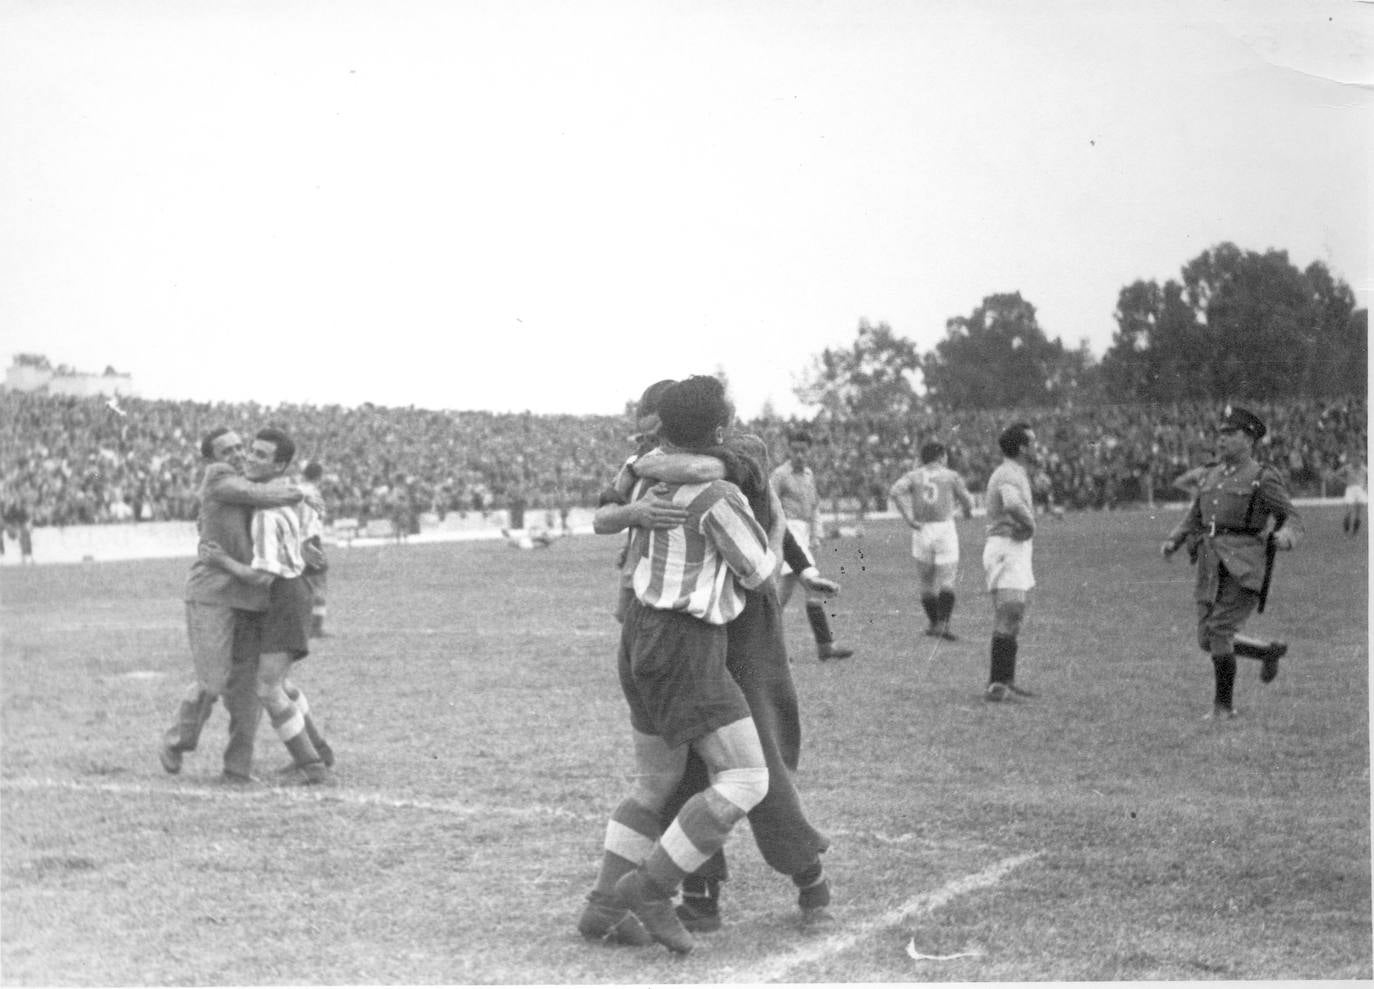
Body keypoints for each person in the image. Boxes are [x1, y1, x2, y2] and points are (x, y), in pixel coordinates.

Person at [589, 386, 837, 936]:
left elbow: (761, 515)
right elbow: (610, 513)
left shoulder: (736, 450)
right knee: (685, 768)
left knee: (759, 758)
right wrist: (636, 492)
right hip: (682, 626)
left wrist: (649, 465)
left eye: (655, 430)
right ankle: (700, 893)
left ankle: (809, 879)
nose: (647, 440)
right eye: (643, 432)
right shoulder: (651, 462)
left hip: (743, 621)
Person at [158, 428, 313, 783]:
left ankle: (236, 769)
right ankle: (177, 740)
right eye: (227, 450)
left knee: (247, 689)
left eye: (240, 446)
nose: (238, 453)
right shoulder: (220, 478)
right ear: (211, 460)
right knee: (212, 681)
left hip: (249, 596)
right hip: (213, 594)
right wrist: (296, 491)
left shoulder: (249, 481)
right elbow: (251, 493)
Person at [200, 427, 334, 783]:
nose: (250, 458)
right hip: (289, 593)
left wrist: (222, 561)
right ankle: (318, 750)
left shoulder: (266, 514)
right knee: (281, 684)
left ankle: (314, 769)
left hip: (283, 597)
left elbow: (262, 576)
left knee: (268, 689)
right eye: (252, 451)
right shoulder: (282, 499)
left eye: (261, 456)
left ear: (280, 467)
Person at [1161, 406, 1301, 719]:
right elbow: (1195, 515)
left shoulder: (1262, 477)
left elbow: (1291, 516)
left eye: (1230, 433)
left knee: (1220, 630)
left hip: (1244, 565)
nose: (1222, 439)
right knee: (1206, 639)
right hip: (1210, 565)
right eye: (1221, 433)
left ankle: (1223, 708)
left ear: (1249, 439)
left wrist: (1286, 537)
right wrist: (1174, 539)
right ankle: (1267, 652)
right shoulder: (1211, 474)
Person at [770, 431, 854, 661]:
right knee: (809, 590)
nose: (799, 454)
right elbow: (770, 506)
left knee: (784, 596)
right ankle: (825, 646)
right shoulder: (779, 475)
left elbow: (814, 505)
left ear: (809, 451)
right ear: (788, 450)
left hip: (803, 534)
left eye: (803, 450)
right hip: (788, 532)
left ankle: (821, 646)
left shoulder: (808, 475)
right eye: (795, 450)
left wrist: (817, 533)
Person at [888, 441, 975, 641]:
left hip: (921, 529)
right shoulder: (951, 475)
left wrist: (909, 518)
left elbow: (894, 491)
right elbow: (969, 502)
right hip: (944, 529)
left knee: (926, 582)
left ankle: (934, 624)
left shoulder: (914, 475)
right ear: (942, 456)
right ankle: (943, 625)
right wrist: (961, 508)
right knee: (947, 579)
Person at [981, 423, 1040, 701]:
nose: (1036, 447)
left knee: (1013, 614)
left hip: (1012, 548)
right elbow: (1012, 504)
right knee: (1010, 612)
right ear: (1022, 447)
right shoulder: (1007, 473)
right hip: (1006, 547)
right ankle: (997, 685)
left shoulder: (1014, 471)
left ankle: (1005, 680)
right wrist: (1030, 525)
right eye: (1032, 442)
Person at [299, 461, 330, 637]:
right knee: (319, 583)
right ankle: (316, 627)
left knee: (303, 584)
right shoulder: (313, 493)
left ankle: (303, 624)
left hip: (296, 541)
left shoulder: (295, 489)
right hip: (312, 540)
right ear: (319, 476)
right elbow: (318, 517)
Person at [1339, 452, 1366, 537]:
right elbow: (1337, 474)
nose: (1358, 460)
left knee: (1358, 512)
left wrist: (1366, 486)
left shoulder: (1364, 469)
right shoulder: (1347, 467)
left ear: (1362, 460)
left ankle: (1355, 532)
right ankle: (1346, 531)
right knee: (1348, 512)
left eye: (1360, 458)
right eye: (1356, 458)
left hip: (1360, 491)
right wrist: (1345, 481)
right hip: (1350, 489)